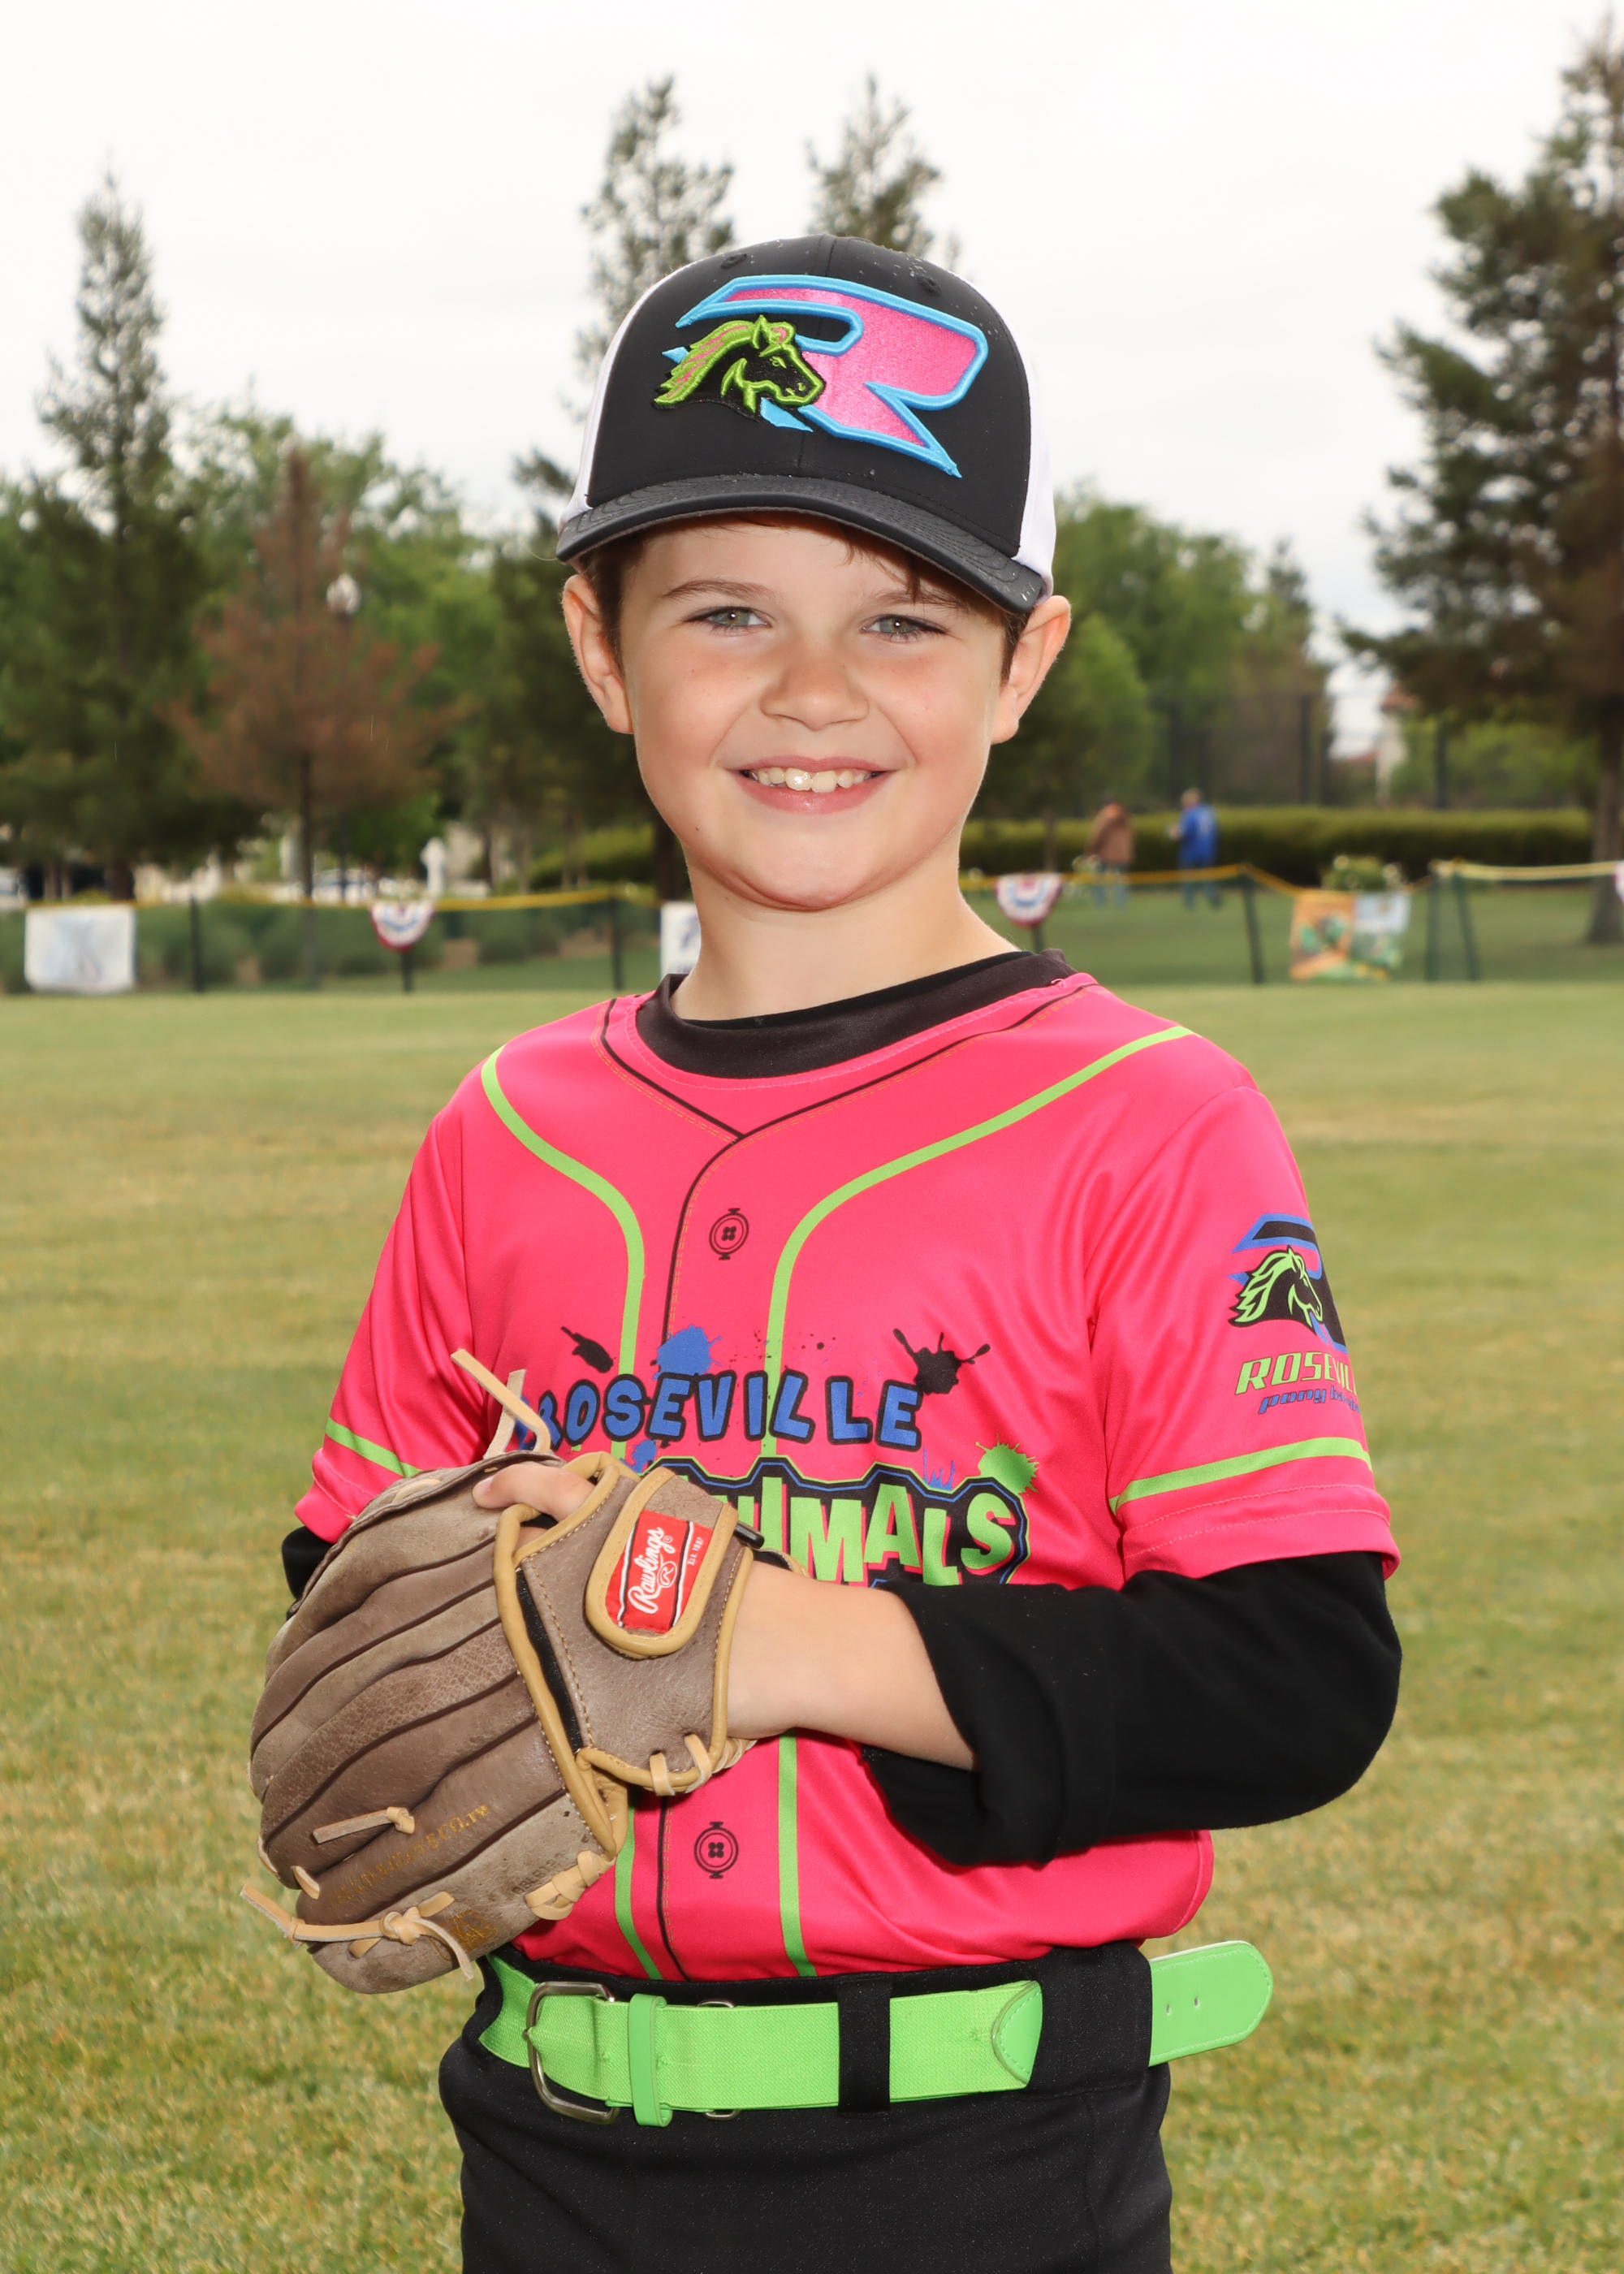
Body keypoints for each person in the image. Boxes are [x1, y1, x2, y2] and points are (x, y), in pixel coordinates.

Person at [280, 237, 1400, 2274]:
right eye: (726, 611)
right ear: (602, 648)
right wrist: (470, 1600)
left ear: (1021, 663)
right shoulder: (506, 1128)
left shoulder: (1146, 1120)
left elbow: (1293, 1676)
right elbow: (350, 1571)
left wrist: (776, 1644)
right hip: (544, 2145)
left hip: (984, 2163)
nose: (812, 690)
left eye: (901, 616)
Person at [1171, 785, 1221, 908]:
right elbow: (1216, 832)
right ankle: (1214, 899)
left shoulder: (1190, 813)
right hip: (1208, 851)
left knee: (1188, 880)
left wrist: (1173, 833)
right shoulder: (1209, 811)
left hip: (1191, 852)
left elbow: (1184, 833)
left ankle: (1189, 904)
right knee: (1207, 878)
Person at [1087, 795, 1134, 907]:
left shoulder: (1105, 815)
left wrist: (1091, 850)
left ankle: (1100, 904)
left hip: (1105, 854)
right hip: (1122, 854)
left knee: (1100, 880)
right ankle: (1121, 905)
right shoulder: (1124, 815)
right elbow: (1131, 834)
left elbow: (1098, 835)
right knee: (1120, 880)